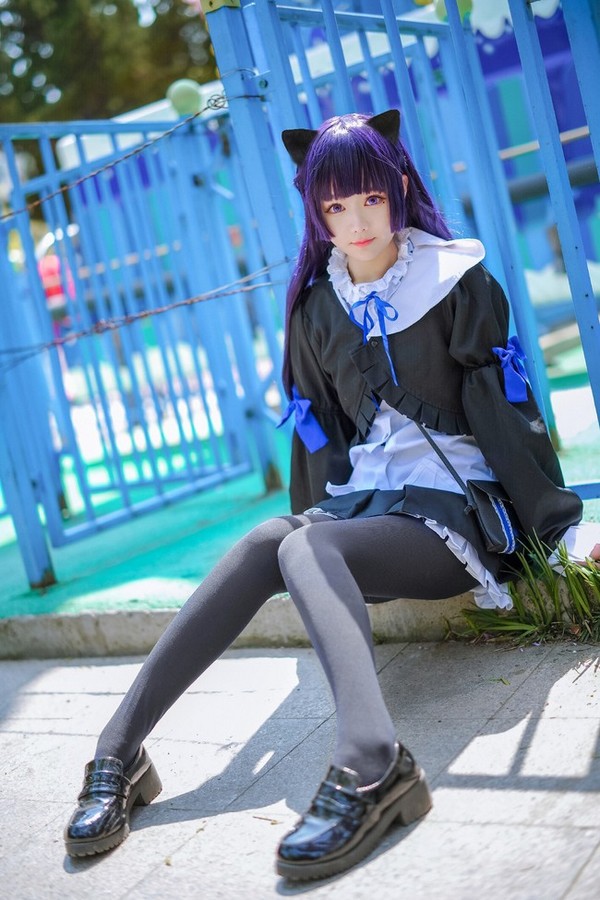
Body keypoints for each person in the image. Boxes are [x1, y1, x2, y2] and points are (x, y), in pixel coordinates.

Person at [64, 109, 598, 882]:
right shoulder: (318, 306)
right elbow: (323, 443)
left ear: (400, 186)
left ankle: (374, 762)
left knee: (309, 545)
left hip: (454, 512)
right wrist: (316, 555)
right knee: (271, 540)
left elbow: (506, 416)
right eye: (335, 206)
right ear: (316, 211)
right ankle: (118, 754)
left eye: (371, 199)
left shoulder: (455, 279)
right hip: (369, 508)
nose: (356, 222)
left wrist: (559, 530)